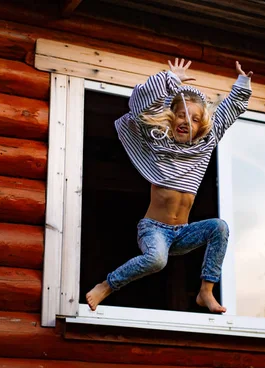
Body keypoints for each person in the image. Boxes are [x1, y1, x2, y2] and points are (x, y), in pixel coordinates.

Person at [86, 58, 253, 313]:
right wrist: (170, 80)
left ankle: (205, 292)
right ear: (171, 118)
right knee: (156, 260)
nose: (188, 121)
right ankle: (107, 285)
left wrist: (242, 83)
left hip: (182, 233)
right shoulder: (159, 142)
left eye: (196, 119)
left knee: (219, 227)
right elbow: (140, 106)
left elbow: (228, 111)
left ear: (202, 126)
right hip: (155, 230)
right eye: (182, 115)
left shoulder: (204, 146)